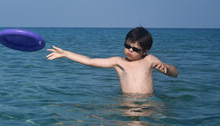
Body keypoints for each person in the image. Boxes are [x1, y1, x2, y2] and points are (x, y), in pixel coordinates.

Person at [46, 27, 178, 95]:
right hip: (127, 102)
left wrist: (165, 67)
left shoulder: (150, 60)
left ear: (145, 51)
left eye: (135, 49)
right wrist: (65, 54)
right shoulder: (119, 62)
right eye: (127, 46)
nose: (130, 50)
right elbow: (90, 61)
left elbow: (175, 74)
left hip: (149, 101)